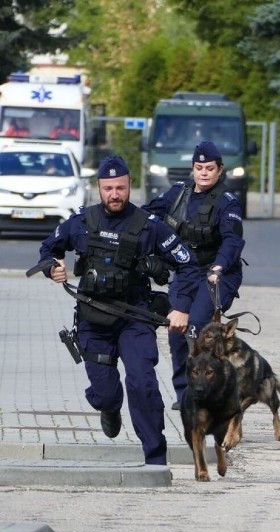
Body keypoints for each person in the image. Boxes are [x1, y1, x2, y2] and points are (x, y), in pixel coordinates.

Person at [36, 155, 201, 465]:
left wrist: (181, 307)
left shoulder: (148, 225)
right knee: (107, 393)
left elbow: (188, 264)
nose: (115, 194)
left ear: (130, 187)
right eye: (109, 188)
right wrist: (53, 268)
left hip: (134, 317)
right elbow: (48, 249)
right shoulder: (82, 221)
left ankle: (155, 459)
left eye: (121, 188)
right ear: (98, 188)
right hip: (93, 317)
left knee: (143, 382)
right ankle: (109, 407)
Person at [144, 141, 245, 410]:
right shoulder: (178, 194)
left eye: (209, 168)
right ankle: (184, 394)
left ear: (220, 171)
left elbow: (233, 242)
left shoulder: (228, 203)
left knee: (198, 326)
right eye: (199, 168)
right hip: (186, 272)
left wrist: (219, 267)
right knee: (177, 330)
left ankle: (210, 390)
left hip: (217, 274)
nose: (203, 173)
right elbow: (147, 216)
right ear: (192, 169)